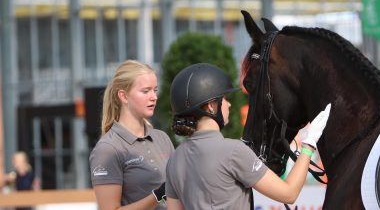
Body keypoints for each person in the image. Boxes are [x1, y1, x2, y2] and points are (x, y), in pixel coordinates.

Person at [165, 63, 331, 209]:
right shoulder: (233, 151)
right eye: (224, 99)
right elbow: (289, 193)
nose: (229, 104)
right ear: (210, 106)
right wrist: (309, 144)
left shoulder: (174, 159)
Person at [89, 60, 174, 210]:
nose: (154, 97)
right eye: (146, 91)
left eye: (155, 90)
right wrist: (157, 196)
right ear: (123, 96)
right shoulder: (107, 149)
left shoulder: (162, 138)